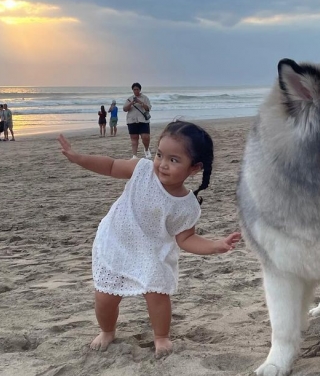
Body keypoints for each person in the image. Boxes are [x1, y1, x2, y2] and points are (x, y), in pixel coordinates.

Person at [57, 121, 241, 357]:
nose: (162, 165)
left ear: (194, 168)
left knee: (157, 295)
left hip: (151, 251)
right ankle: (107, 331)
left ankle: (161, 336)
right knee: (105, 297)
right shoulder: (142, 170)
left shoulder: (187, 206)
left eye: (174, 160)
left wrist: (215, 245)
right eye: (160, 155)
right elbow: (111, 166)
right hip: (116, 240)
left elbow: (186, 238)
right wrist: (78, 158)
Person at [123, 82, 152, 159]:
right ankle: (134, 155)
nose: (136, 91)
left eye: (137, 89)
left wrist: (140, 102)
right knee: (134, 138)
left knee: (145, 137)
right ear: (132, 90)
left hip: (143, 120)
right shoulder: (129, 99)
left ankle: (146, 149)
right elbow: (125, 109)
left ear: (140, 90)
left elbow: (148, 108)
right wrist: (131, 103)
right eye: (134, 89)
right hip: (132, 120)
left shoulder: (145, 98)